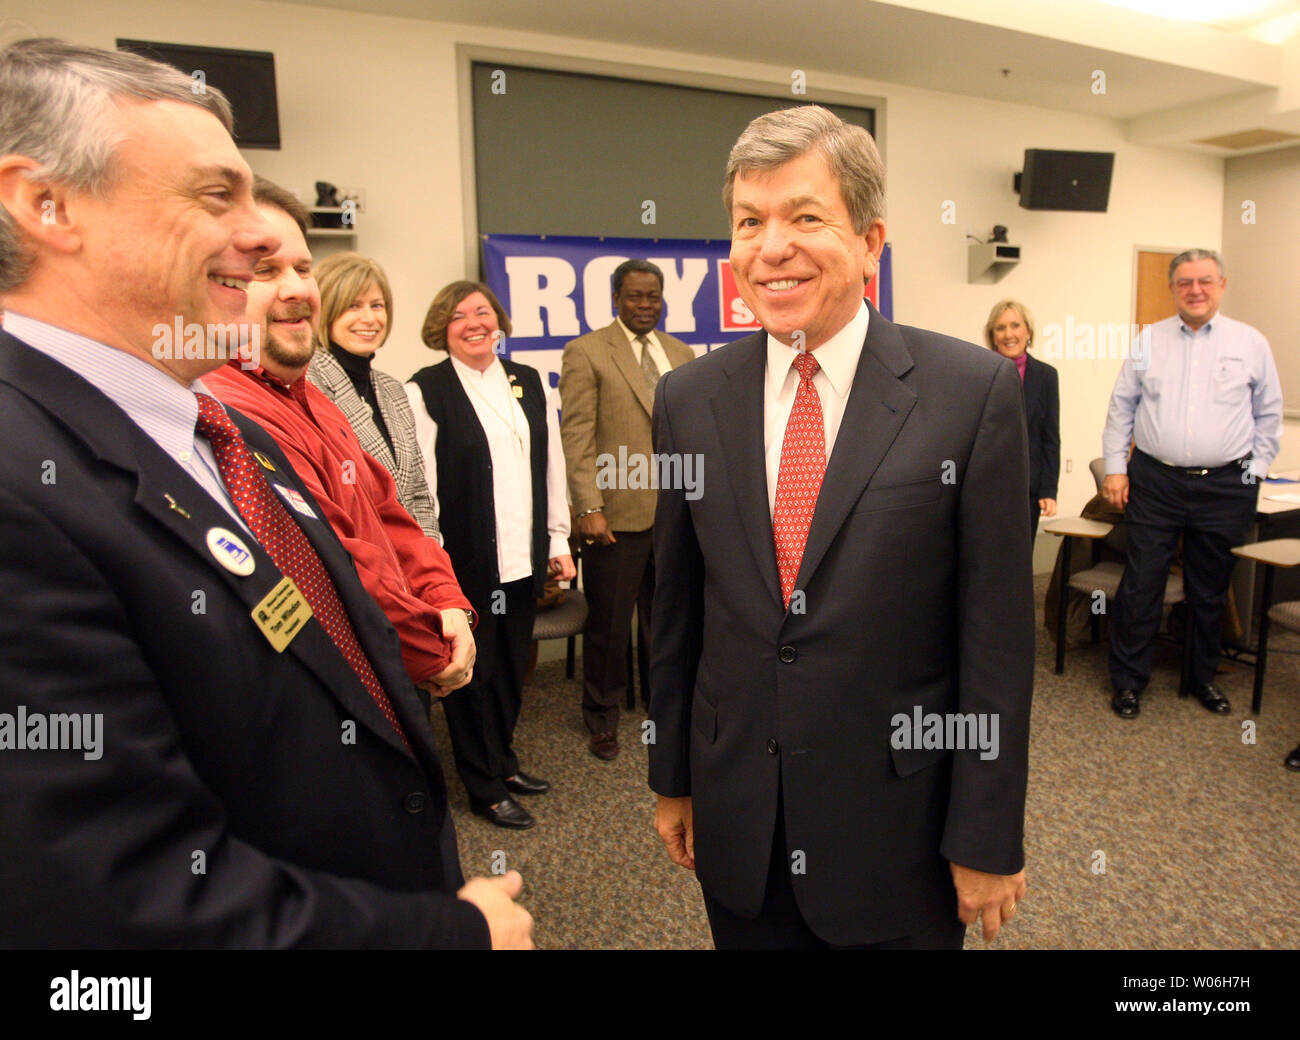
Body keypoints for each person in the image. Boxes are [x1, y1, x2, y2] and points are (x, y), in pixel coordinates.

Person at [0, 38, 530, 947]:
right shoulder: (23, 484)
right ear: (46, 204)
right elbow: (112, 903)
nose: (263, 238)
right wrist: (450, 937)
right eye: (218, 195)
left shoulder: (214, 432)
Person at [648, 105, 1033, 950]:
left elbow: (998, 641)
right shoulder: (689, 399)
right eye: (750, 222)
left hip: (900, 836)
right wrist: (673, 778)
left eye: (806, 217)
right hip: (740, 823)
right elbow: (675, 612)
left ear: (871, 242)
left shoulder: (971, 395)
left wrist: (987, 831)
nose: (771, 246)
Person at [204, 180, 476, 701]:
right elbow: (338, 564)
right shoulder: (228, 408)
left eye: (303, 269)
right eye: (265, 270)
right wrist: (433, 650)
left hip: (392, 660)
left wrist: (447, 601)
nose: (296, 288)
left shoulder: (313, 398)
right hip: (337, 685)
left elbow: (391, 513)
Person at [406, 282, 575, 829]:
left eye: (483, 311)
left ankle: (502, 762)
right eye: (459, 316)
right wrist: (430, 567)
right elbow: (422, 489)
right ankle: (480, 786)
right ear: (442, 329)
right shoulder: (424, 390)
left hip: (522, 559)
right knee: (470, 675)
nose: (474, 322)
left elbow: (550, 467)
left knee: (507, 668)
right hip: (464, 564)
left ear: (499, 320)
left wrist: (557, 539)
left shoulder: (528, 382)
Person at [1102, 249, 1283, 720]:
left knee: (1209, 589)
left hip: (1225, 485)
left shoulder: (1251, 343)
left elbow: (1268, 414)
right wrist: (1118, 468)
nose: (1195, 290)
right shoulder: (1149, 341)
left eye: (1205, 281)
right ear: (1173, 289)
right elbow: (1122, 408)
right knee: (1142, 584)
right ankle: (1128, 682)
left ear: (1222, 285)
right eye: (1185, 282)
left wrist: (1254, 474)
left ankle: (1201, 679)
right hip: (1157, 480)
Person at [559, 260, 695, 760]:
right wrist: (587, 506)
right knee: (609, 628)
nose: (645, 305)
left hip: (677, 515)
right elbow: (577, 438)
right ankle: (602, 716)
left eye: (653, 296)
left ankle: (667, 709)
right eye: (635, 296)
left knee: (669, 623)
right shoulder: (587, 352)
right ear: (616, 298)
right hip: (616, 516)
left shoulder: (681, 354)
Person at [307, 251, 439, 539]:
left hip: (412, 567)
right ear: (326, 310)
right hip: (355, 564)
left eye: (377, 305)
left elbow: (418, 492)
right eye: (353, 306)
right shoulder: (307, 384)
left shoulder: (393, 389)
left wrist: (428, 556)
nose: (369, 318)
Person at [984, 299, 1058, 542]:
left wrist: (1049, 490)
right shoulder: (979, 372)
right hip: (987, 486)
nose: (1009, 334)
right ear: (993, 336)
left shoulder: (1046, 376)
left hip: (1028, 488)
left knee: (1021, 558)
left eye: (1015, 325)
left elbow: (1050, 438)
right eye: (1001, 328)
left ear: (1027, 331)